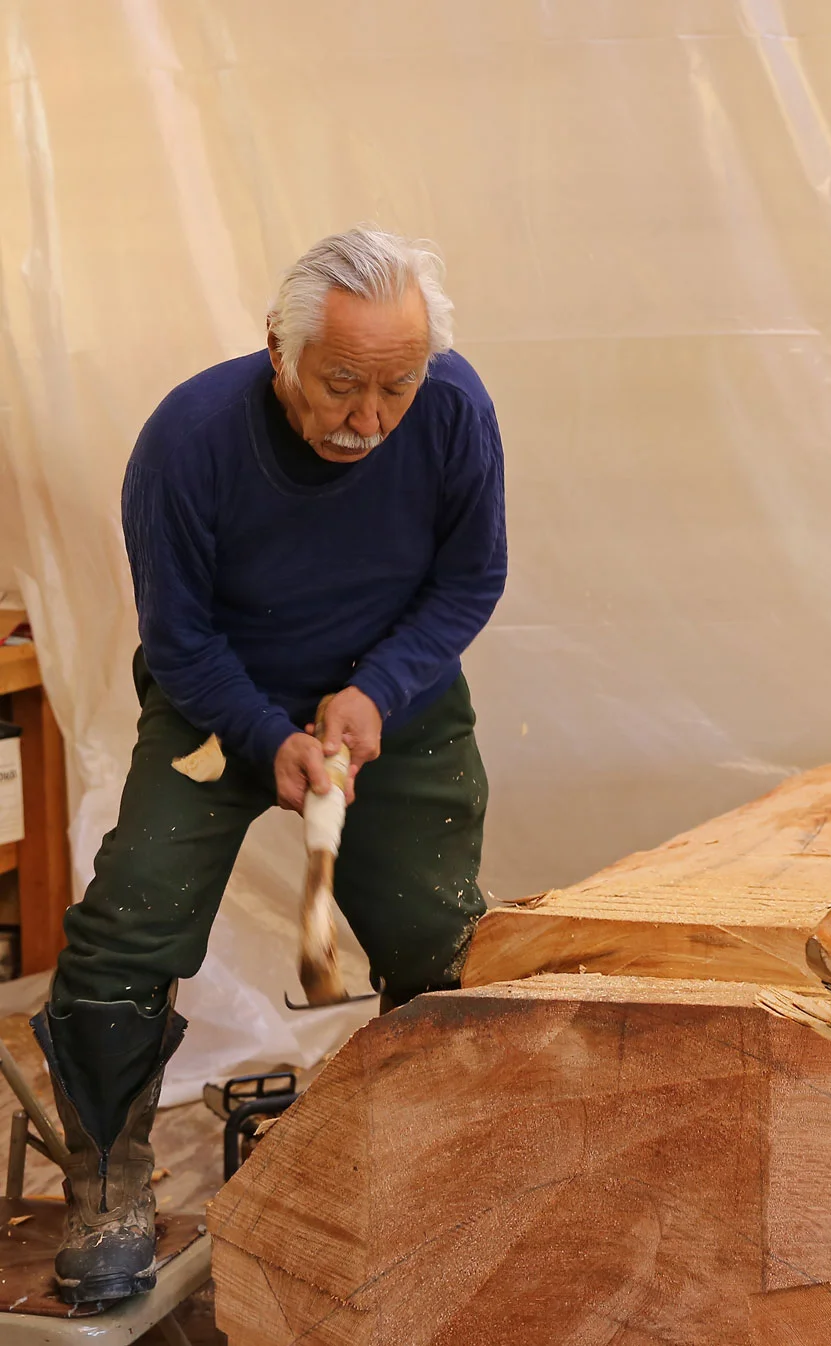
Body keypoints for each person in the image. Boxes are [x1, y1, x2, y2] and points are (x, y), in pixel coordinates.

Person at [30, 228, 507, 1305]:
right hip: (221, 701)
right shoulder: (189, 440)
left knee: (441, 936)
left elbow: (473, 577)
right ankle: (110, 1182)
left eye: (396, 385)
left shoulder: (455, 409)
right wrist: (270, 735)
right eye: (342, 385)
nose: (370, 420)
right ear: (277, 351)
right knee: (126, 928)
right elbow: (181, 637)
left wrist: (377, 690)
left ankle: (443, 1170)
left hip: (394, 702)